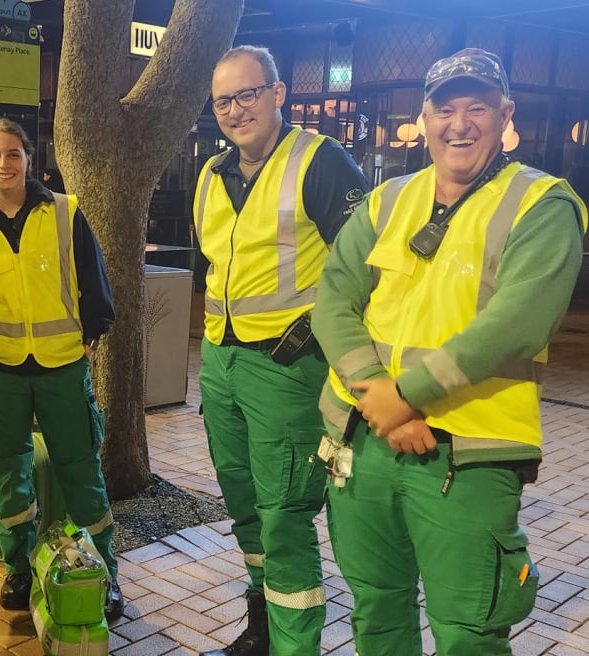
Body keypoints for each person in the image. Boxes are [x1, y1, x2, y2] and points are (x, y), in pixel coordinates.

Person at [311, 48, 587, 656]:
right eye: (445, 109)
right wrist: (377, 396)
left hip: (468, 455)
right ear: (424, 117)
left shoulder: (543, 204)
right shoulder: (387, 200)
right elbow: (333, 301)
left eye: (477, 108)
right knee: (376, 610)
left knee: (468, 632)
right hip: (366, 441)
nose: (459, 123)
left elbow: (514, 325)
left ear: (505, 115)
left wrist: (404, 397)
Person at [193, 46, 370, 656]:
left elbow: (365, 270)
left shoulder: (320, 162)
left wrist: (327, 342)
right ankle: (262, 621)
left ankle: (296, 645)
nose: (236, 110)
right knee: (243, 503)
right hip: (221, 363)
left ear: (277, 93)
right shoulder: (212, 175)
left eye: (248, 94)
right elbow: (217, 269)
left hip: (287, 369)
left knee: (285, 514)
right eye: (224, 100)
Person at [0, 118, 124, 621]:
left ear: (29, 158)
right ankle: (18, 566)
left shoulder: (66, 212)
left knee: (81, 468)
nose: (3, 164)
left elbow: (94, 279)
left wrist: (91, 337)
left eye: (12, 154)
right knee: (8, 471)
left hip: (62, 364)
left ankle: (102, 571)